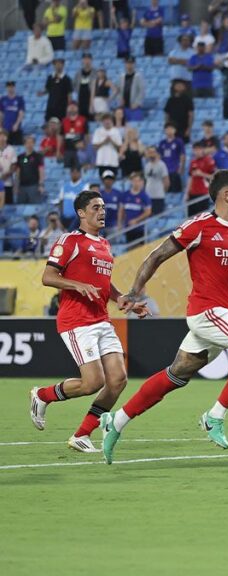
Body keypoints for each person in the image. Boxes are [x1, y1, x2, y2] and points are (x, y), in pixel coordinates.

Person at [102, 170, 228, 463]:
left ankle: (116, 421)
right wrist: (134, 291)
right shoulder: (199, 226)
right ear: (227, 194)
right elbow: (156, 255)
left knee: (176, 374)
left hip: (224, 314)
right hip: (207, 311)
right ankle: (214, 416)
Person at [30, 190, 149, 453]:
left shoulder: (105, 245)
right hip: (76, 321)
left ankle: (82, 434)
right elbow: (48, 276)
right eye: (96, 207)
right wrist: (77, 284)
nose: (102, 211)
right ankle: (42, 395)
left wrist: (122, 299)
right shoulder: (70, 240)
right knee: (92, 383)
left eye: (104, 207)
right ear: (81, 213)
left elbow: (105, 284)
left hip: (101, 320)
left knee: (118, 379)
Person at [118, 172, 151, 243]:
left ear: (141, 182)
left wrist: (136, 220)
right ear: (131, 182)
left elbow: (148, 212)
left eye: (138, 181)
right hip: (128, 227)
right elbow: (121, 211)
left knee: (139, 248)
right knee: (129, 248)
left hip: (139, 228)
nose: (136, 183)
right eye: (134, 181)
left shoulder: (144, 196)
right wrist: (119, 224)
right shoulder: (125, 195)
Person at [186, 142, 216, 215]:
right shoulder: (193, 162)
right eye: (195, 150)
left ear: (202, 150)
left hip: (203, 193)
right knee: (191, 218)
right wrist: (187, 193)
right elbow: (190, 177)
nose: (197, 151)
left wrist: (202, 174)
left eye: (199, 149)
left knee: (202, 217)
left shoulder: (208, 161)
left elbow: (214, 177)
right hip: (192, 193)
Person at [15, 135, 45, 204]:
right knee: (20, 207)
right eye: (27, 143)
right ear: (24, 144)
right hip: (22, 186)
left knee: (34, 207)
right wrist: (16, 186)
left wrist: (41, 185)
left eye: (31, 142)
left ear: (34, 144)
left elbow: (41, 171)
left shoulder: (38, 156)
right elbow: (17, 172)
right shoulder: (20, 157)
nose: (29, 144)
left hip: (34, 186)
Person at [143, 146, 169, 215]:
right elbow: (146, 180)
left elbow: (166, 181)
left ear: (156, 153)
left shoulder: (162, 165)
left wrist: (162, 191)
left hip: (158, 196)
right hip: (148, 196)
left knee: (158, 217)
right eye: (149, 152)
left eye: (153, 152)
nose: (151, 154)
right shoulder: (147, 165)